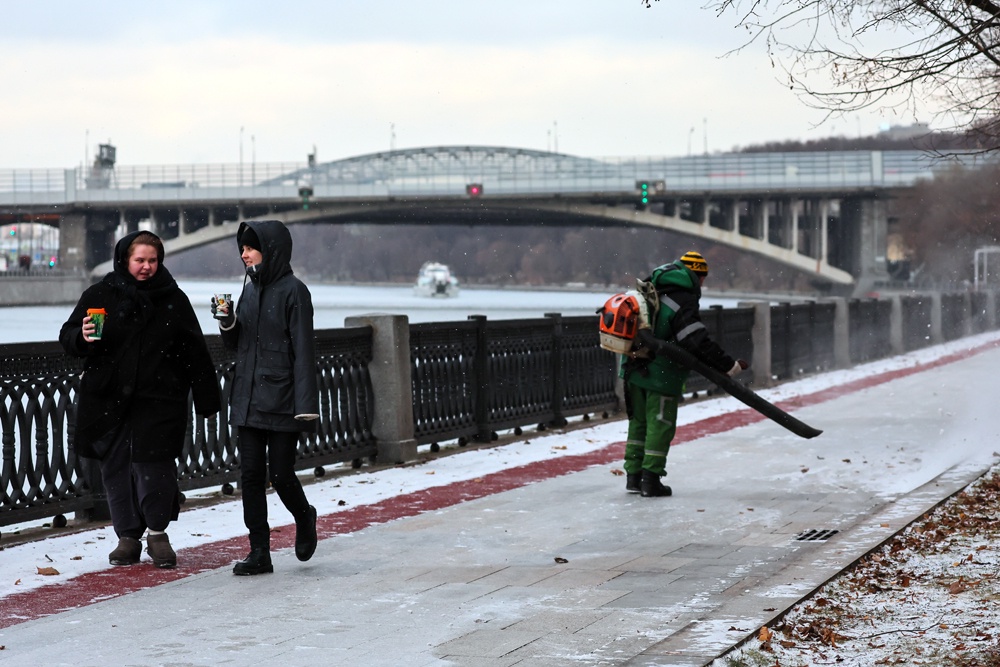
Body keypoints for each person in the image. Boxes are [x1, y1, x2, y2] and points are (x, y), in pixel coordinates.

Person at [59, 230, 220, 568]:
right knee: (116, 470)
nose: (146, 267)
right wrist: (82, 336)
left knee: (155, 467)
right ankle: (127, 537)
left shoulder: (174, 299)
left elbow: (195, 352)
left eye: (152, 260)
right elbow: (68, 336)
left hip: (159, 399)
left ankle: (158, 534)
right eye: (139, 260)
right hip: (109, 400)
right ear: (124, 260)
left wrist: (207, 398)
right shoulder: (100, 294)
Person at [214, 219, 319, 576]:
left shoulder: (295, 292)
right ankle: (259, 551)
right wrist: (226, 322)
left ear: (270, 249)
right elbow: (238, 345)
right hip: (247, 397)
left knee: (283, 473)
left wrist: (306, 407)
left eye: (250, 247)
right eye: (242, 248)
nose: (243, 254)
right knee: (251, 476)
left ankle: (304, 515)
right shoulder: (249, 289)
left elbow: (304, 351)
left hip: (283, 398)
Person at [621, 251, 748, 497]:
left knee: (638, 423)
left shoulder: (652, 285)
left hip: (633, 364)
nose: (703, 284)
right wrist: (727, 364)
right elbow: (694, 339)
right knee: (660, 424)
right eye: (703, 278)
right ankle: (651, 480)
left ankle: (634, 477)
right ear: (696, 275)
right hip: (661, 372)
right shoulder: (683, 296)